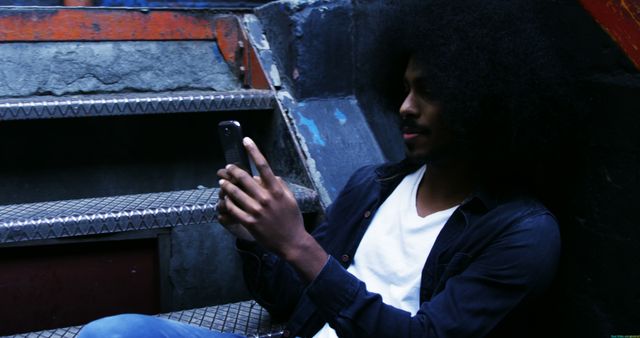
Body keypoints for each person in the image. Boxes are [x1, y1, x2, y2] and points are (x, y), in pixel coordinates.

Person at [78, 1, 569, 337]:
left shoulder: (521, 235)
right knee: (112, 331)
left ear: (487, 103)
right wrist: (255, 238)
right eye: (404, 88)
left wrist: (297, 242)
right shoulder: (374, 188)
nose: (404, 107)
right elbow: (288, 300)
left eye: (429, 91)